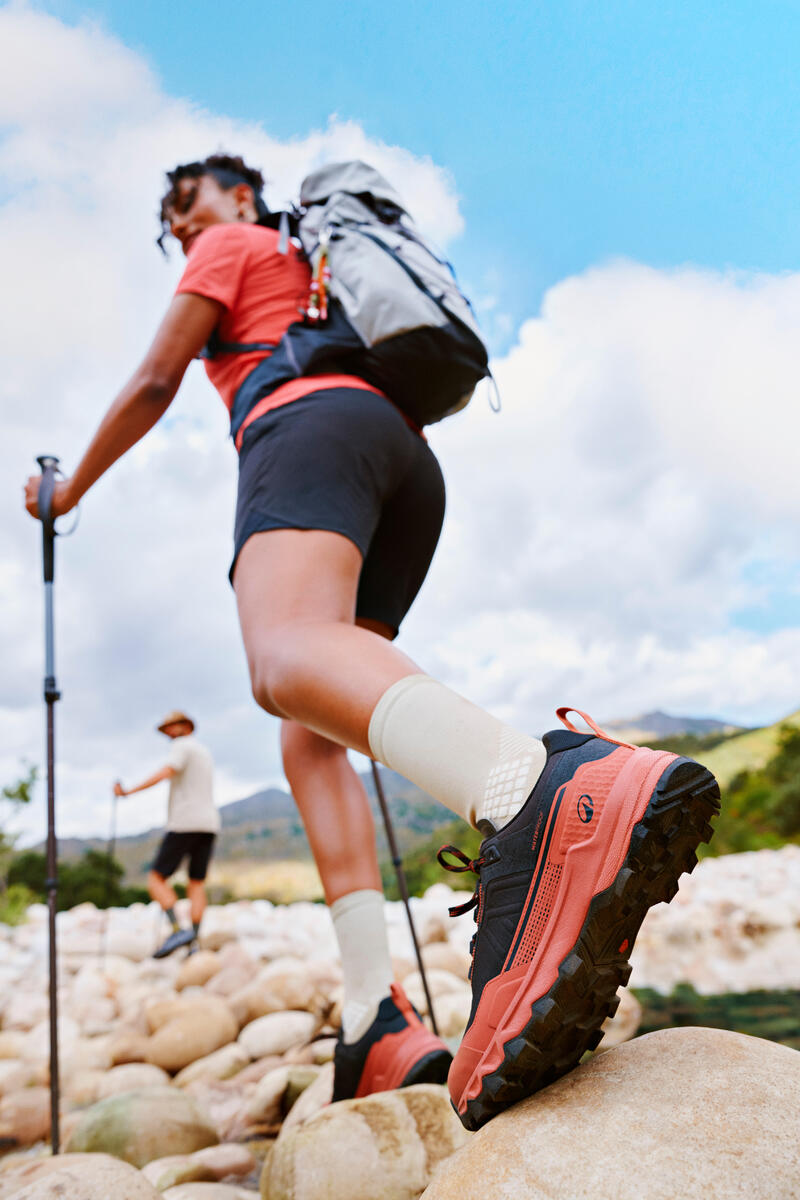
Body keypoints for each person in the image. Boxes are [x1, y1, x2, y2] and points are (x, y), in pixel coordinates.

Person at [24, 153, 719, 1129]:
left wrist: (67, 491)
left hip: (305, 435)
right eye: (172, 220)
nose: (178, 227)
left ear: (232, 196)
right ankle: (372, 1019)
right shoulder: (317, 275)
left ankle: (536, 789)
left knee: (284, 658)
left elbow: (152, 380)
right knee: (313, 725)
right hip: (403, 464)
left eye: (183, 205)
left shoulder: (235, 243)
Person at [113, 710, 219, 958]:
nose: (170, 732)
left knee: (156, 879)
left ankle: (176, 930)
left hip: (185, 821)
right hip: (209, 823)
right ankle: (193, 941)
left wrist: (129, 792)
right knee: (196, 883)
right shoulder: (204, 752)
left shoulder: (182, 747)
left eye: (173, 726)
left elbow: (166, 772)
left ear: (185, 726)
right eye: (167, 728)